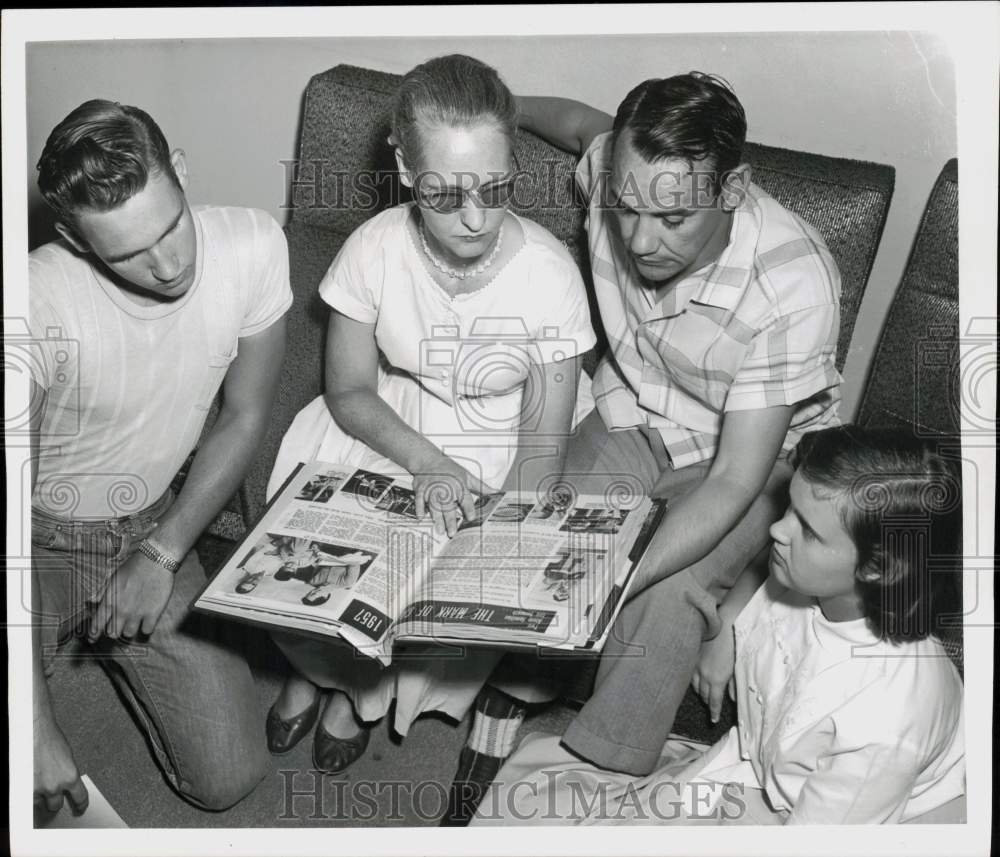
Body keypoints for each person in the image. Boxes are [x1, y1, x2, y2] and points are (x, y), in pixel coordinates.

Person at [451, 71, 845, 805]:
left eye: (671, 220)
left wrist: (617, 573)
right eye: (625, 208)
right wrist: (494, 108)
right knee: (541, 534)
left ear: (732, 191)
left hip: (754, 458)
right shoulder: (619, 165)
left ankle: (602, 780)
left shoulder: (795, 281)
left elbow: (733, 478)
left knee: (668, 596)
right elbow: (574, 119)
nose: (637, 239)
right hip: (636, 410)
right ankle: (513, 692)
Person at [262, 54, 596, 775]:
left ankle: (356, 693)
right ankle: (315, 666)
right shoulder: (373, 247)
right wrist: (430, 465)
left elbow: (540, 455)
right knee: (320, 543)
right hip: (392, 415)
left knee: (425, 568)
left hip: (500, 432)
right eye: (445, 195)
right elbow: (350, 391)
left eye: (497, 188)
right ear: (407, 173)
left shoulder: (549, 278)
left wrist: (496, 531)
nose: (476, 218)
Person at [474, 425, 966, 826]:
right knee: (530, 789)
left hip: (811, 820)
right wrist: (731, 621)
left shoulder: (887, 720)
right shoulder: (819, 586)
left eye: (808, 531)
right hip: (751, 772)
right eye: (789, 508)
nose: (777, 529)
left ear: (877, 568)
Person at [29, 99, 291, 814]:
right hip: (33, 540)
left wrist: (162, 552)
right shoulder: (33, 297)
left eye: (171, 224)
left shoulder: (254, 245)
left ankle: (105, 643)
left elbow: (242, 415)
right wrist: (36, 728)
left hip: (148, 523)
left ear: (179, 170)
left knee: (229, 776)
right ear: (77, 242)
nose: (171, 263)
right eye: (129, 254)